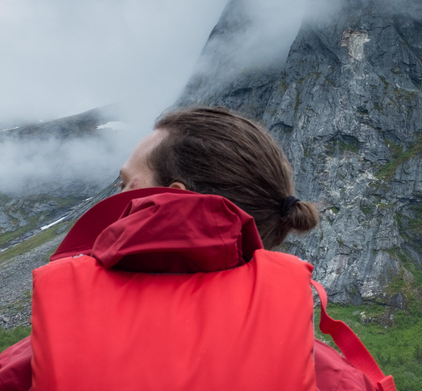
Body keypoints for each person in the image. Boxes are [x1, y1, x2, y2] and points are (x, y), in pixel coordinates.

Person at [0, 107, 387, 391]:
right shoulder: (331, 377)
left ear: (170, 199)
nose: (115, 199)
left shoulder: (38, 357)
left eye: (125, 184)